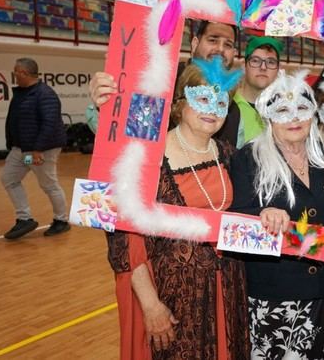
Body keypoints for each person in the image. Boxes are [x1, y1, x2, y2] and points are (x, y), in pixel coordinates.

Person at [102, 57, 250, 359]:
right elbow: (124, 242)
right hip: (174, 297)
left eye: (221, 101)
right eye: (203, 98)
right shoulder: (146, 160)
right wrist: (151, 304)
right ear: (181, 102)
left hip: (228, 290)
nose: (212, 110)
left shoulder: (229, 155)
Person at [229, 69, 324, 359]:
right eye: (283, 110)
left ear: (314, 113)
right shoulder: (248, 159)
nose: (294, 118)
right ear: (268, 116)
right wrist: (262, 212)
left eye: (302, 108)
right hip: (274, 294)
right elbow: (235, 218)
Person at [89, 20, 237, 107]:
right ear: (194, 44)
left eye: (228, 45)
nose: (220, 49)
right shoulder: (159, 81)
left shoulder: (232, 110)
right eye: (213, 40)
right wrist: (105, 102)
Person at [2, 57, 70, 239]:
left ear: (24, 73)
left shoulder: (45, 94)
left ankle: (61, 220)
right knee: (9, 178)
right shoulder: (21, 93)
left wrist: (38, 150)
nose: (14, 74)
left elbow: (50, 124)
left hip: (40, 152)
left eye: (16, 71)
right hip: (23, 152)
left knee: (48, 184)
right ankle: (24, 218)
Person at [215, 35, 283, 148]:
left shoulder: (284, 109)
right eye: (255, 61)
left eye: (270, 62)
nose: (263, 67)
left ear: (278, 69)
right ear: (244, 66)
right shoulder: (226, 105)